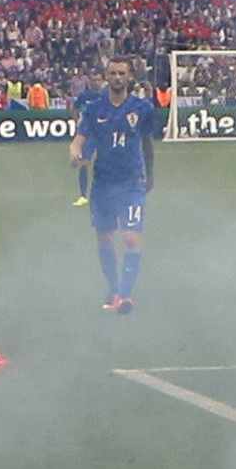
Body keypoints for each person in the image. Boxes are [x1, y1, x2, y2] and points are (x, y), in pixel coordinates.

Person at [70, 59, 162, 313]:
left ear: (130, 76)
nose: (117, 77)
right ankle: (114, 288)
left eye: (122, 73)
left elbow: (147, 144)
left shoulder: (142, 108)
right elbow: (79, 140)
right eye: (113, 73)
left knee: (131, 237)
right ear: (106, 77)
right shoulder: (94, 108)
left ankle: (125, 294)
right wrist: (75, 153)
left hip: (132, 183)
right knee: (105, 239)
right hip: (103, 184)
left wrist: (150, 174)